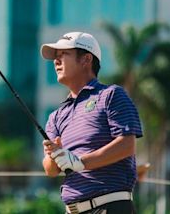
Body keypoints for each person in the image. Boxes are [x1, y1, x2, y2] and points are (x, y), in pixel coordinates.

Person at [41, 32, 142, 214]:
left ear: (86, 59)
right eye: (55, 57)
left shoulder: (111, 95)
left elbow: (127, 145)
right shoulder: (55, 116)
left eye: (64, 54)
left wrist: (80, 162)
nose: (56, 61)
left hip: (110, 206)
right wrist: (52, 154)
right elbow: (51, 170)